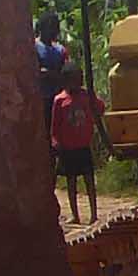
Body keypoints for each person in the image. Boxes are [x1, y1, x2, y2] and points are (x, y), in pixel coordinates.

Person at [46, 66, 104, 219]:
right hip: (68, 147)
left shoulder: (86, 96)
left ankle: (94, 214)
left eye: (80, 78)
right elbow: (55, 125)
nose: (78, 82)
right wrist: (55, 142)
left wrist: (93, 99)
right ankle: (75, 215)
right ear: (66, 81)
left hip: (83, 146)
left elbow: (100, 109)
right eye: (74, 78)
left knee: (89, 180)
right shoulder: (59, 100)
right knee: (71, 181)